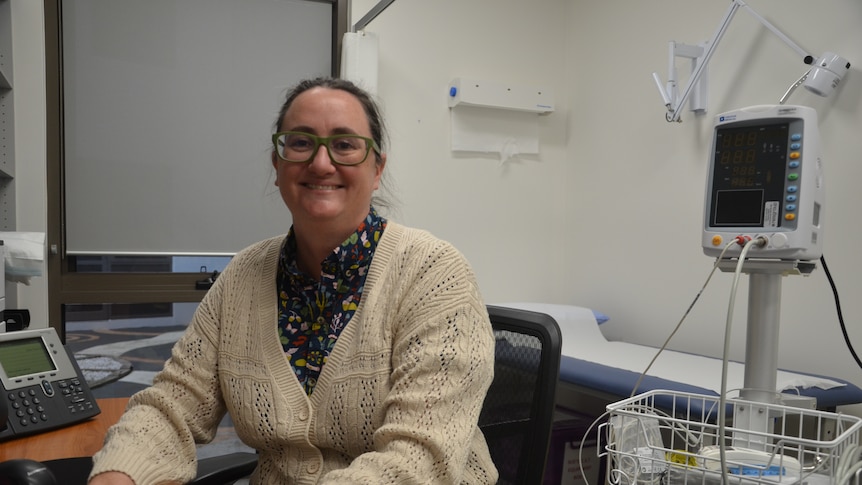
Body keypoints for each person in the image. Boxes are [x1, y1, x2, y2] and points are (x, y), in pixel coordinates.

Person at [87, 77, 499, 484]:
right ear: (278, 165)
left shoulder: (435, 273)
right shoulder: (243, 276)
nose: (321, 163)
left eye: (344, 144)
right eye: (301, 142)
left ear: (377, 169)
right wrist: (121, 472)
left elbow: (418, 459)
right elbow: (172, 404)